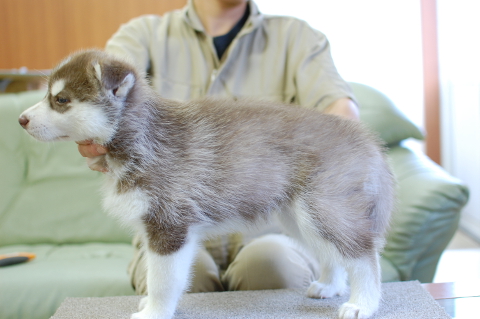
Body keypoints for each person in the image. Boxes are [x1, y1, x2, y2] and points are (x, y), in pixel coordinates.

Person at [77, 0, 359, 295]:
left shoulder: (297, 37)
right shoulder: (143, 35)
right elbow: (98, 97)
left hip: (269, 222)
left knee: (269, 264)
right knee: (184, 278)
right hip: (169, 222)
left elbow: (341, 116)